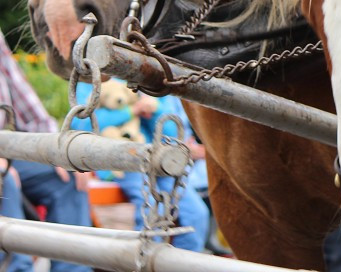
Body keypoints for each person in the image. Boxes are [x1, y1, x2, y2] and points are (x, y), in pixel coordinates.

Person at [71, 82, 210, 253]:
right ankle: (145, 260)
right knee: (152, 210)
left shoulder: (151, 81)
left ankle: (184, 263)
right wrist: (131, 111)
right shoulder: (90, 81)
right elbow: (83, 126)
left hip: (157, 162)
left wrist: (154, 110)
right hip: (121, 163)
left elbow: (172, 133)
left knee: (197, 212)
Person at [0, 33, 93, 272]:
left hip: (7, 153)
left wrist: (57, 151)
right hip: (4, 167)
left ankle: (74, 268)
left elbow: (26, 104)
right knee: (5, 181)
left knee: (68, 178)